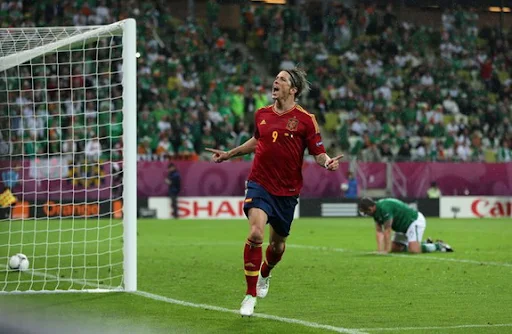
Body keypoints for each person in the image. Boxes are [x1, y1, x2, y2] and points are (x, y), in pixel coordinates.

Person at [206, 67, 343, 317]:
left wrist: (327, 163)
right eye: (276, 77)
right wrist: (229, 154)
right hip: (260, 183)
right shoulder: (262, 114)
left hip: (287, 191)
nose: (275, 81)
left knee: (277, 246)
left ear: (293, 90)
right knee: (256, 233)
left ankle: (265, 274)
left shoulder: (305, 119)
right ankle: (249, 295)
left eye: (282, 79)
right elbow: (257, 141)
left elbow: (318, 152)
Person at [358, 197, 453, 254]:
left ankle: (438, 246)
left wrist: (386, 250)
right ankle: (424, 243)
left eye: (366, 212)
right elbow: (379, 232)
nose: (367, 214)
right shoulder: (375, 213)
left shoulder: (384, 208)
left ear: (371, 207)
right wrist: (379, 250)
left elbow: (387, 230)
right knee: (395, 249)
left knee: (414, 250)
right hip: (401, 228)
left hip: (413, 221)